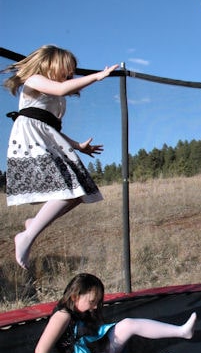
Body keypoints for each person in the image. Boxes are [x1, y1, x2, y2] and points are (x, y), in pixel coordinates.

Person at [2, 45, 119, 270]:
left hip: (46, 137)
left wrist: (78, 146)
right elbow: (62, 89)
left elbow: (51, 127)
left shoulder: (57, 98)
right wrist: (97, 76)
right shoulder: (33, 79)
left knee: (78, 192)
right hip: (30, 139)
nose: (70, 75)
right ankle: (26, 236)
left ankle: (33, 224)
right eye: (67, 70)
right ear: (52, 64)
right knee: (69, 188)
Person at [35, 273, 197, 353]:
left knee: (128, 324)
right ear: (75, 297)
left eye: (98, 302)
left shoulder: (81, 309)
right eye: (92, 302)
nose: (96, 307)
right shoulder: (62, 316)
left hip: (93, 349)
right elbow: (41, 350)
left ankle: (182, 331)